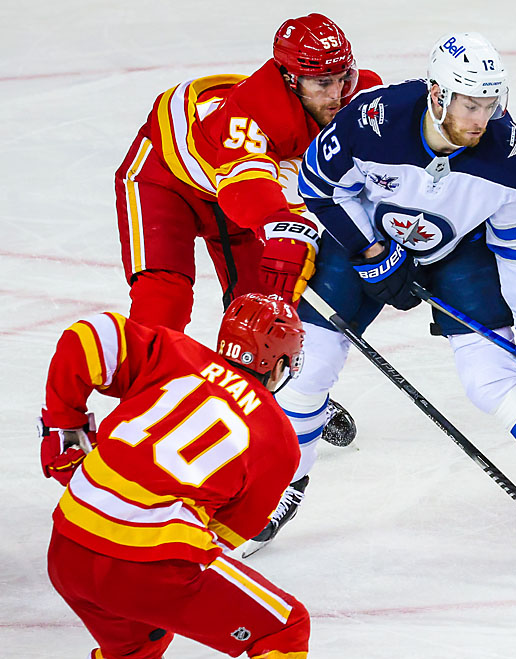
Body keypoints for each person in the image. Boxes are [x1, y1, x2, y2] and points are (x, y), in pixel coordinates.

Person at [267, 32, 516, 563]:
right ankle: (279, 488)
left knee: (494, 380)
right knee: (309, 366)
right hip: (367, 239)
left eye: (490, 104)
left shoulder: (510, 157)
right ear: (438, 95)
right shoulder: (375, 120)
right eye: (470, 104)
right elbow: (320, 186)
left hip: (461, 252)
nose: (480, 120)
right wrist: (369, 250)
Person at [114, 13, 379, 451]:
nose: (336, 94)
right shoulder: (251, 116)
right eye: (321, 83)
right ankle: (140, 414)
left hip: (235, 191)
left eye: (342, 77)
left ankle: (270, 395)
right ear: (290, 81)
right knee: (164, 297)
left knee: (266, 304)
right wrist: (283, 226)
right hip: (164, 181)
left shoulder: (357, 97)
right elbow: (248, 191)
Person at [38, 294, 309, 659]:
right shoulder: (278, 441)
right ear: (278, 365)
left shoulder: (173, 350)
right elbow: (227, 535)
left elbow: (90, 337)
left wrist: (64, 428)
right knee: (286, 631)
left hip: (68, 547)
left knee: (132, 650)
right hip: (150, 564)